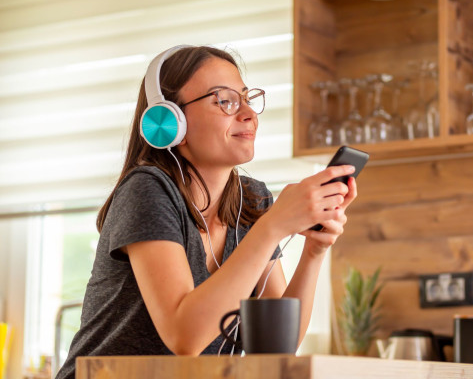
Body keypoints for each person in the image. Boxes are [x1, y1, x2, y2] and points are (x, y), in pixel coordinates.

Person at [56, 45, 357, 379]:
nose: (249, 114)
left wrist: (315, 251)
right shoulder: (148, 190)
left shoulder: (251, 200)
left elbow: (275, 351)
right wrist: (272, 227)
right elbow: (184, 336)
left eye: (247, 98)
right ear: (170, 121)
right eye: (224, 100)